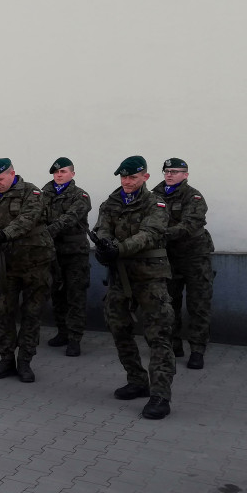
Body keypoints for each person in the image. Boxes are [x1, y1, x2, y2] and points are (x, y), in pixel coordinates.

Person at [94, 155, 176, 419]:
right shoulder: (112, 201)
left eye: (132, 177)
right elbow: (102, 228)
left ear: (145, 177)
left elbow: (150, 234)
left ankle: (160, 395)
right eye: (123, 177)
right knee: (117, 326)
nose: (127, 182)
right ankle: (137, 379)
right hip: (120, 276)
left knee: (158, 335)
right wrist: (104, 247)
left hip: (150, 277)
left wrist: (118, 249)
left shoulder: (156, 203)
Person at [0, 158, 54, 383]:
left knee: (31, 313)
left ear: (12, 173)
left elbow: (27, 220)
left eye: (0, 179)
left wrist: (2, 235)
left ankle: (25, 361)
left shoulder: (32, 192)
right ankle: (6, 359)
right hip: (5, 265)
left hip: (35, 263)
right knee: (4, 312)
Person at [152, 157, 214, 370]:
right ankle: (173, 344)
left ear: (185, 175)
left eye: (175, 171)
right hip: (169, 257)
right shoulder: (154, 195)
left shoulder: (193, 197)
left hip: (195, 256)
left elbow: (189, 225)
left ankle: (197, 349)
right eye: (167, 171)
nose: (169, 175)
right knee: (169, 303)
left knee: (198, 304)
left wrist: (158, 234)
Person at [41, 157, 92, 357]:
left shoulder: (81, 196)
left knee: (75, 296)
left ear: (72, 173)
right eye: (56, 172)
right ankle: (62, 332)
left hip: (75, 253)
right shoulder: (44, 194)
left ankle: (75, 339)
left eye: (63, 172)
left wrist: (46, 231)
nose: (59, 175)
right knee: (57, 294)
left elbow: (69, 218)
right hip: (52, 252)